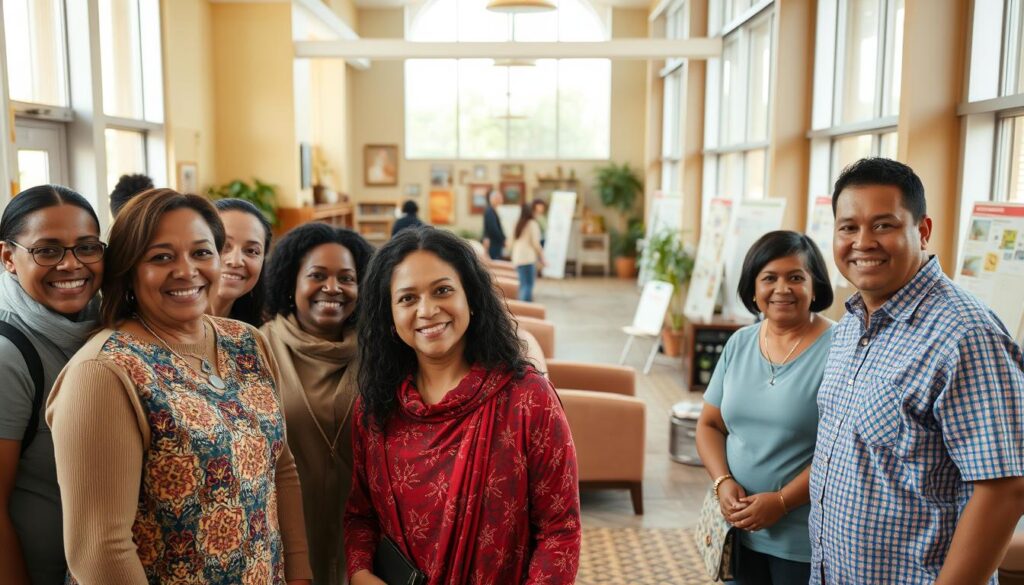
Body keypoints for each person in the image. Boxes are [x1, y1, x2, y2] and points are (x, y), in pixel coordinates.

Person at [46, 189, 313, 584]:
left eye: (202, 252)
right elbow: (100, 548)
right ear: (128, 269)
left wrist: (300, 573)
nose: (187, 270)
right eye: (161, 257)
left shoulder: (245, 341)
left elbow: (282, 468)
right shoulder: (104, 371)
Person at [809, 158, 1024, 584]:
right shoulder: (851, 322)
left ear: (922, 231)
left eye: (883, 225)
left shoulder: (964, 334)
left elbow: (1005, 488)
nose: (863, 242)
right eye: (848, 227)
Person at [344, 227, 581, 585]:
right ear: (389, 318)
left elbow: (560, 529)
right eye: (408, 298)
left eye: (442, 290)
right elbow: (361, 516)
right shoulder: (376, 408)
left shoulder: (527, 398)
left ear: (471, 298)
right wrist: (361, 574)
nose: (427, 310)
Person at [696, 231, 833, 583]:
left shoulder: (840, 348)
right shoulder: (740, 342)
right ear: (754, 290)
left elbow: (841, 451)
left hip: (804, 538)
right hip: (737, 529)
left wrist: (782, 502)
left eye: (796, 277)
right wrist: (722, 482)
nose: (782, 289)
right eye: (769, 278)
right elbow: (710, 424)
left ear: (815, 286)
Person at [0, 185, 104, 585]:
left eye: (87, 247)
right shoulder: (10, 353)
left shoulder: (105, 325)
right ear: (9, 258)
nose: (71, 264)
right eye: (48, 250)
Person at [261, 224, 374, 585]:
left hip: (365, 543)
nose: (332, 288)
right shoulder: (256, 348)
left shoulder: (380, 354)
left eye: (346, 278)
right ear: (291, 283)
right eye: (317, 275)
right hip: (283, 539)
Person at [209, 198, 273, 326]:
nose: (235, 261)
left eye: (251, 251)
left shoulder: (263, 331)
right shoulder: (162, 330)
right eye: (222, 245)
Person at [511, 203, 545, 302]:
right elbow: (536, 243)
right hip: (528, 258)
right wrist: (542, 256)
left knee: (523, 285)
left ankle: (522, 309)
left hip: (517, 257)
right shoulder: (532, 224)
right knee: (528, 286)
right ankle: (525, 309)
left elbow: (511, 241)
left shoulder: (517, 223)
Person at [481, 189, 506, 260]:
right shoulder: (490, 211)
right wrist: (503, 239)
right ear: (493, 199)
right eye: (499, 198)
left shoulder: (493, 211)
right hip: (493, 244)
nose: (501, 200)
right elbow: (493, 229)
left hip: (494, 243)